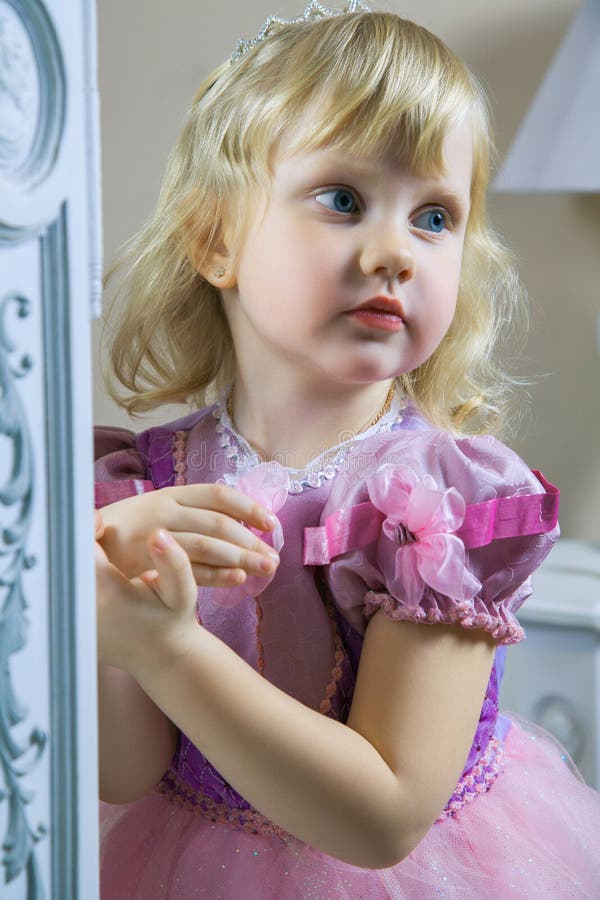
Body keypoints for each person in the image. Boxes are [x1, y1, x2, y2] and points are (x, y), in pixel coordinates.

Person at [94, 3, 600, 897]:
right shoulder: (142, 487)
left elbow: (383, 817)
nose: (397, 252)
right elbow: (121, 773)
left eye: (436, 217)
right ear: (217, 239)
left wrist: (169, 649)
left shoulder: (436, 503)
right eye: (343, 199)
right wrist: (109, 624)